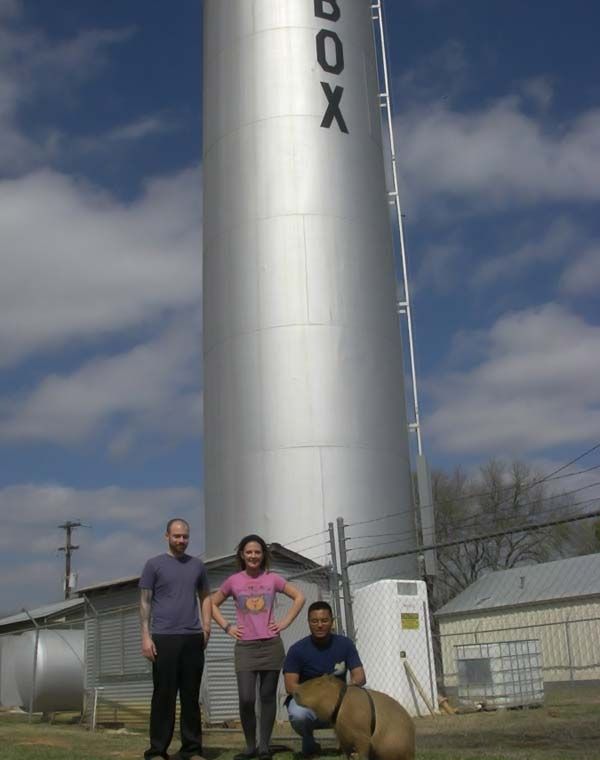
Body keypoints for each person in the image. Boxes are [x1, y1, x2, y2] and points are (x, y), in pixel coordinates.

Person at [212, 534, 305, 760]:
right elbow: (212, 603)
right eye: (249, 552)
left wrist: (284, 622)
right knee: (246, 698)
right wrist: (227, 627)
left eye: (257, 552)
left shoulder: (272, 579)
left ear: (263, 555)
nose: (253, 556)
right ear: (242, 555)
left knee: (267, 697)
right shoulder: (234, 581)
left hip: (271, 645)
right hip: (245, 647)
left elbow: (299, 597)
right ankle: (249, 746)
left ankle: (264, 747)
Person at [139, 518, 212, 760]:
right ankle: (157, 750)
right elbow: (145, 602)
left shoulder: (198, 566)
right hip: (163, 639)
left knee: (191, 697)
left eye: (185, 537)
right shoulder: (153, 565)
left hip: (192, 638)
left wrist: (207, 627)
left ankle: (191, 750)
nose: (181, 541)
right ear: (167, 536)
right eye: (177, 536)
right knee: (164, 696)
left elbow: (205, 597)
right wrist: (145, 636)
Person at [283, 601, 366, 757]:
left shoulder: (345, 644)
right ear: (308, 623)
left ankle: (350, 741)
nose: (319, 625)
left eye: (324, 620)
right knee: (297, 714)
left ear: (331, 621)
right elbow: (290, 686)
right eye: (314, 621)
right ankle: (309, 742)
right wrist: (317, 697)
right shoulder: (297, 650)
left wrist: (343, 693)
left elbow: (360, 677)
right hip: (310, 703)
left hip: (339, 701)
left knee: (362, 699)